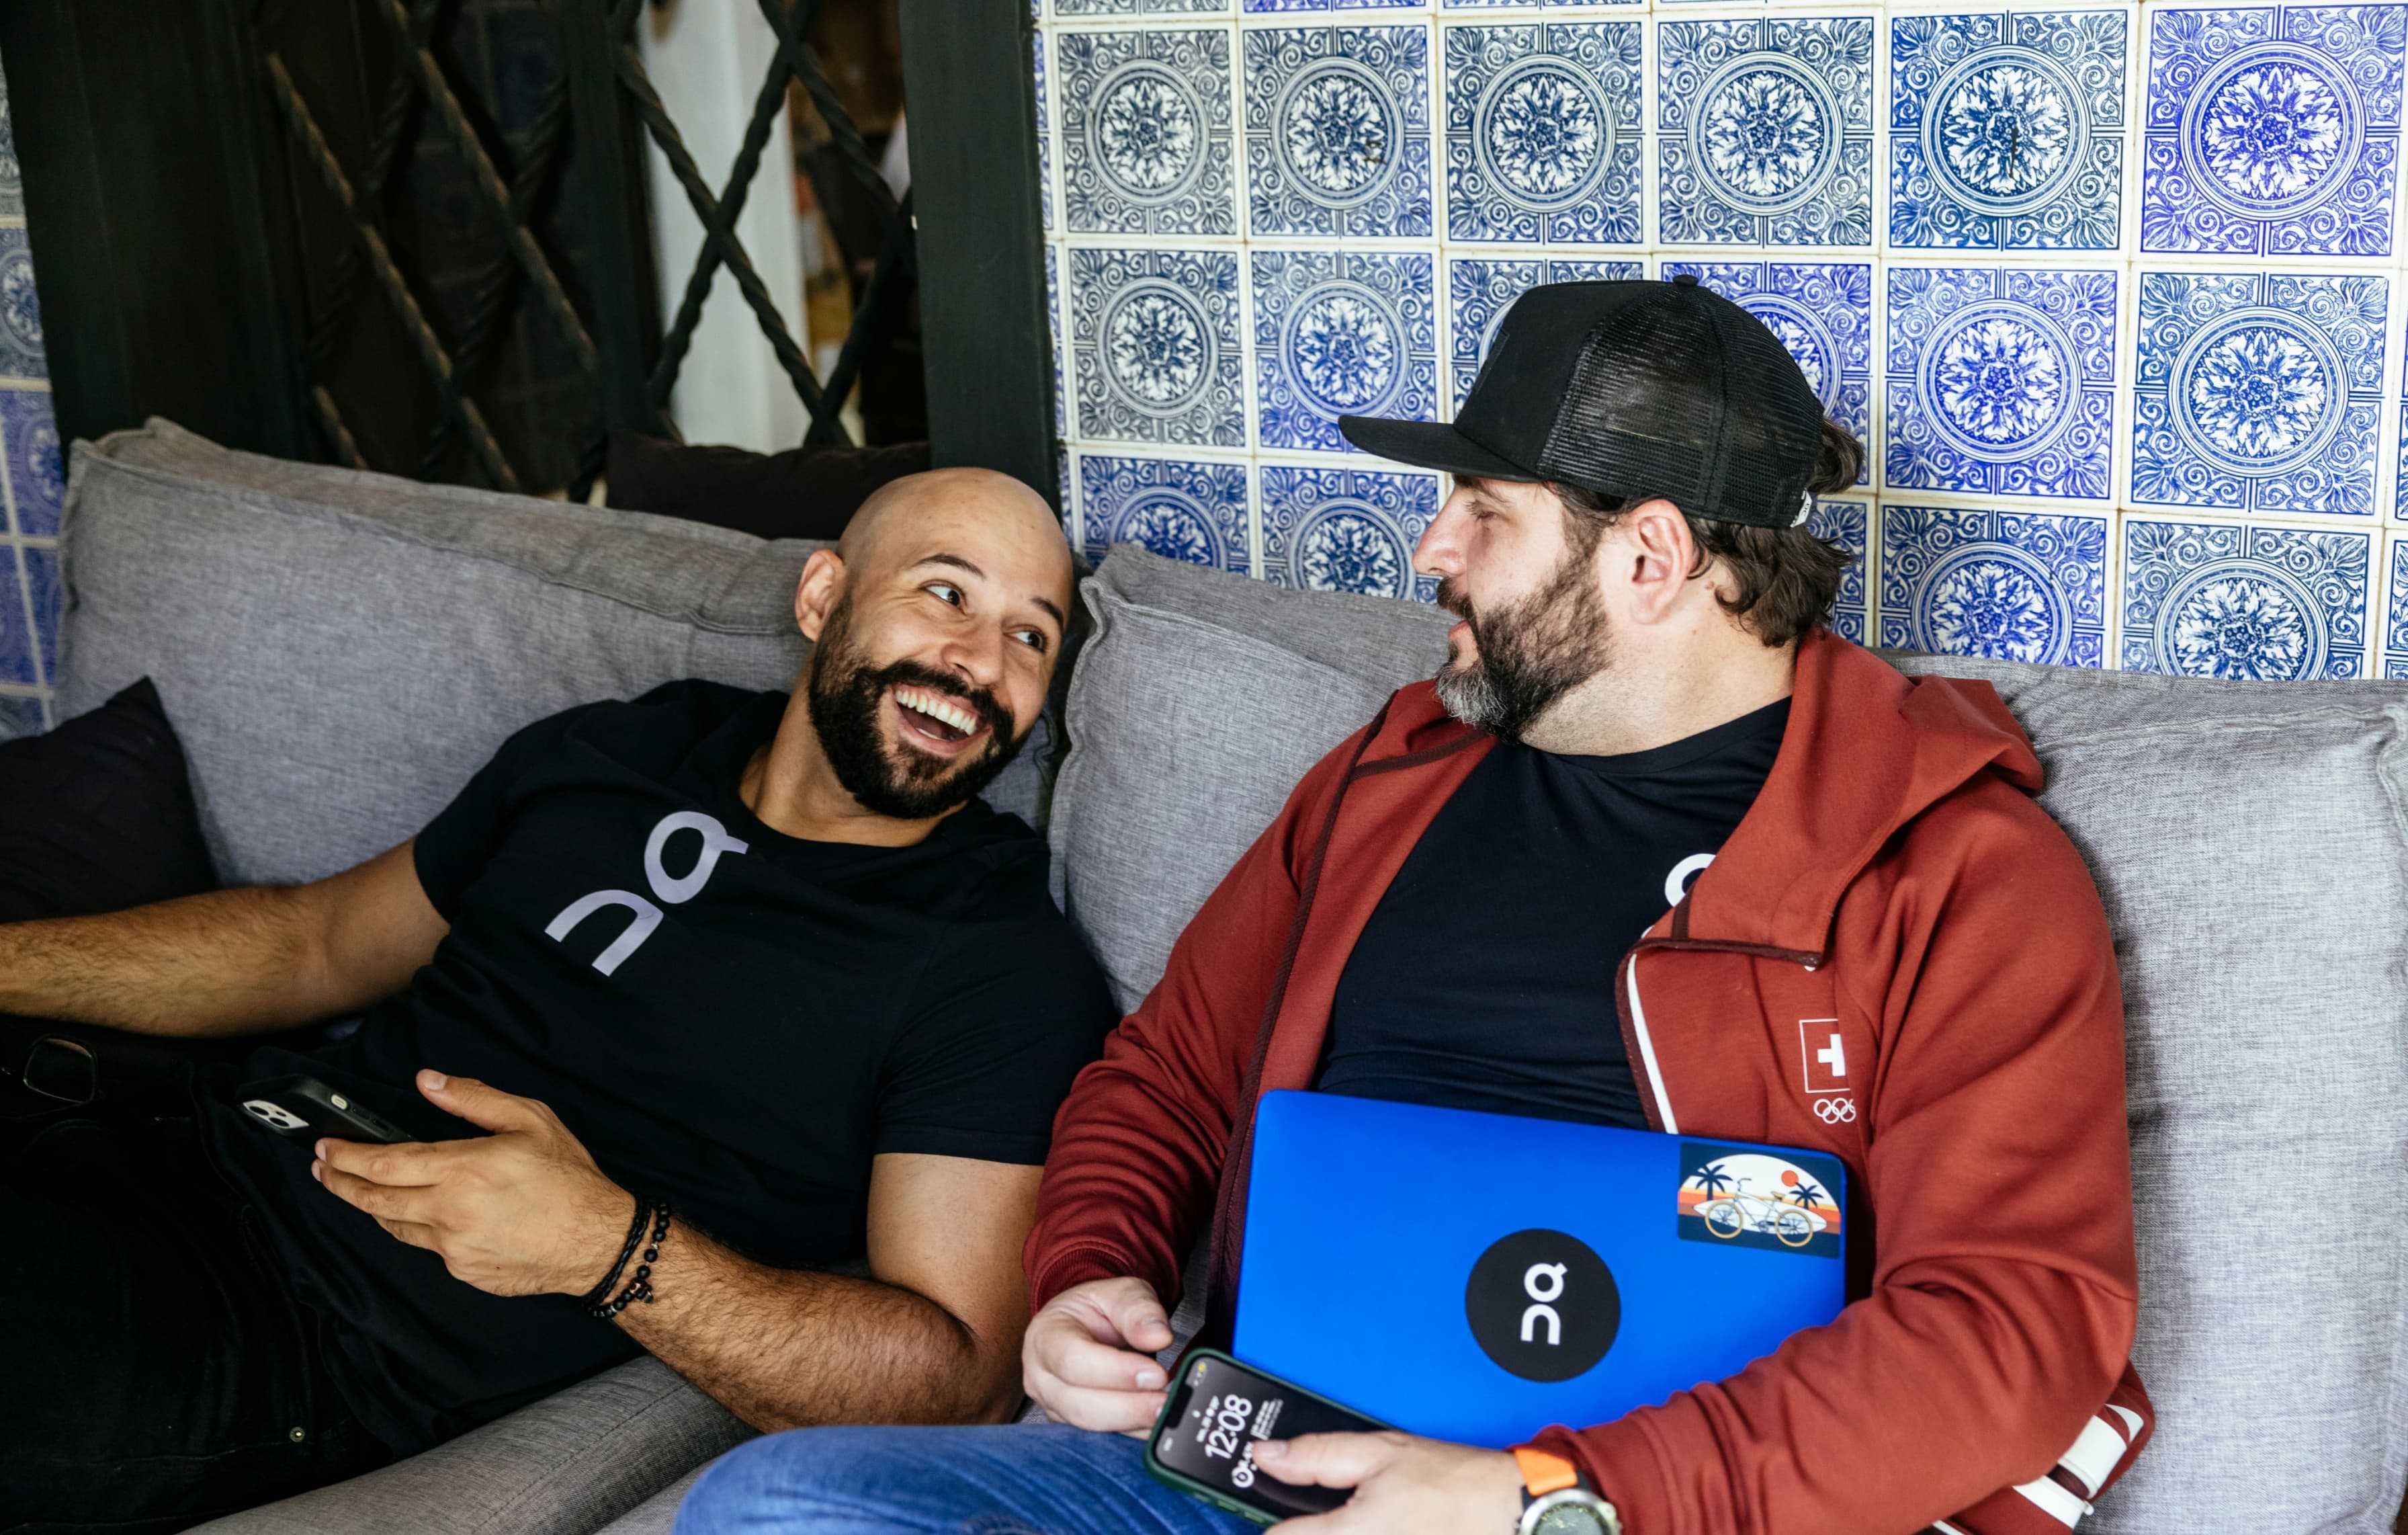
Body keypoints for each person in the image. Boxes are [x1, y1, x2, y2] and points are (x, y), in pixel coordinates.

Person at [675, 278, 2153, 1535]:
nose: (1430, 550)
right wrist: (1090, 1274)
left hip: (1609, 1507)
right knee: (780, 1505)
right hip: (1259, 1464)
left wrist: (1538, 1495)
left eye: (1483, 512)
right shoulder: (1395, 772)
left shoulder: (1953, 869)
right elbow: (1171, 1075)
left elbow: (2007, 1326)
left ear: (1652, 557)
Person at [0, 469, 1118, 1535]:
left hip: (300, 1330)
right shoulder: (625, 744)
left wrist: (611, 1249)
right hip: (169, 1147)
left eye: (1032, 635)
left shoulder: (999, 963)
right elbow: (314, 943)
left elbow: (962, 1376)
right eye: (944, 592)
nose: (979, 662)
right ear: (823, 597)